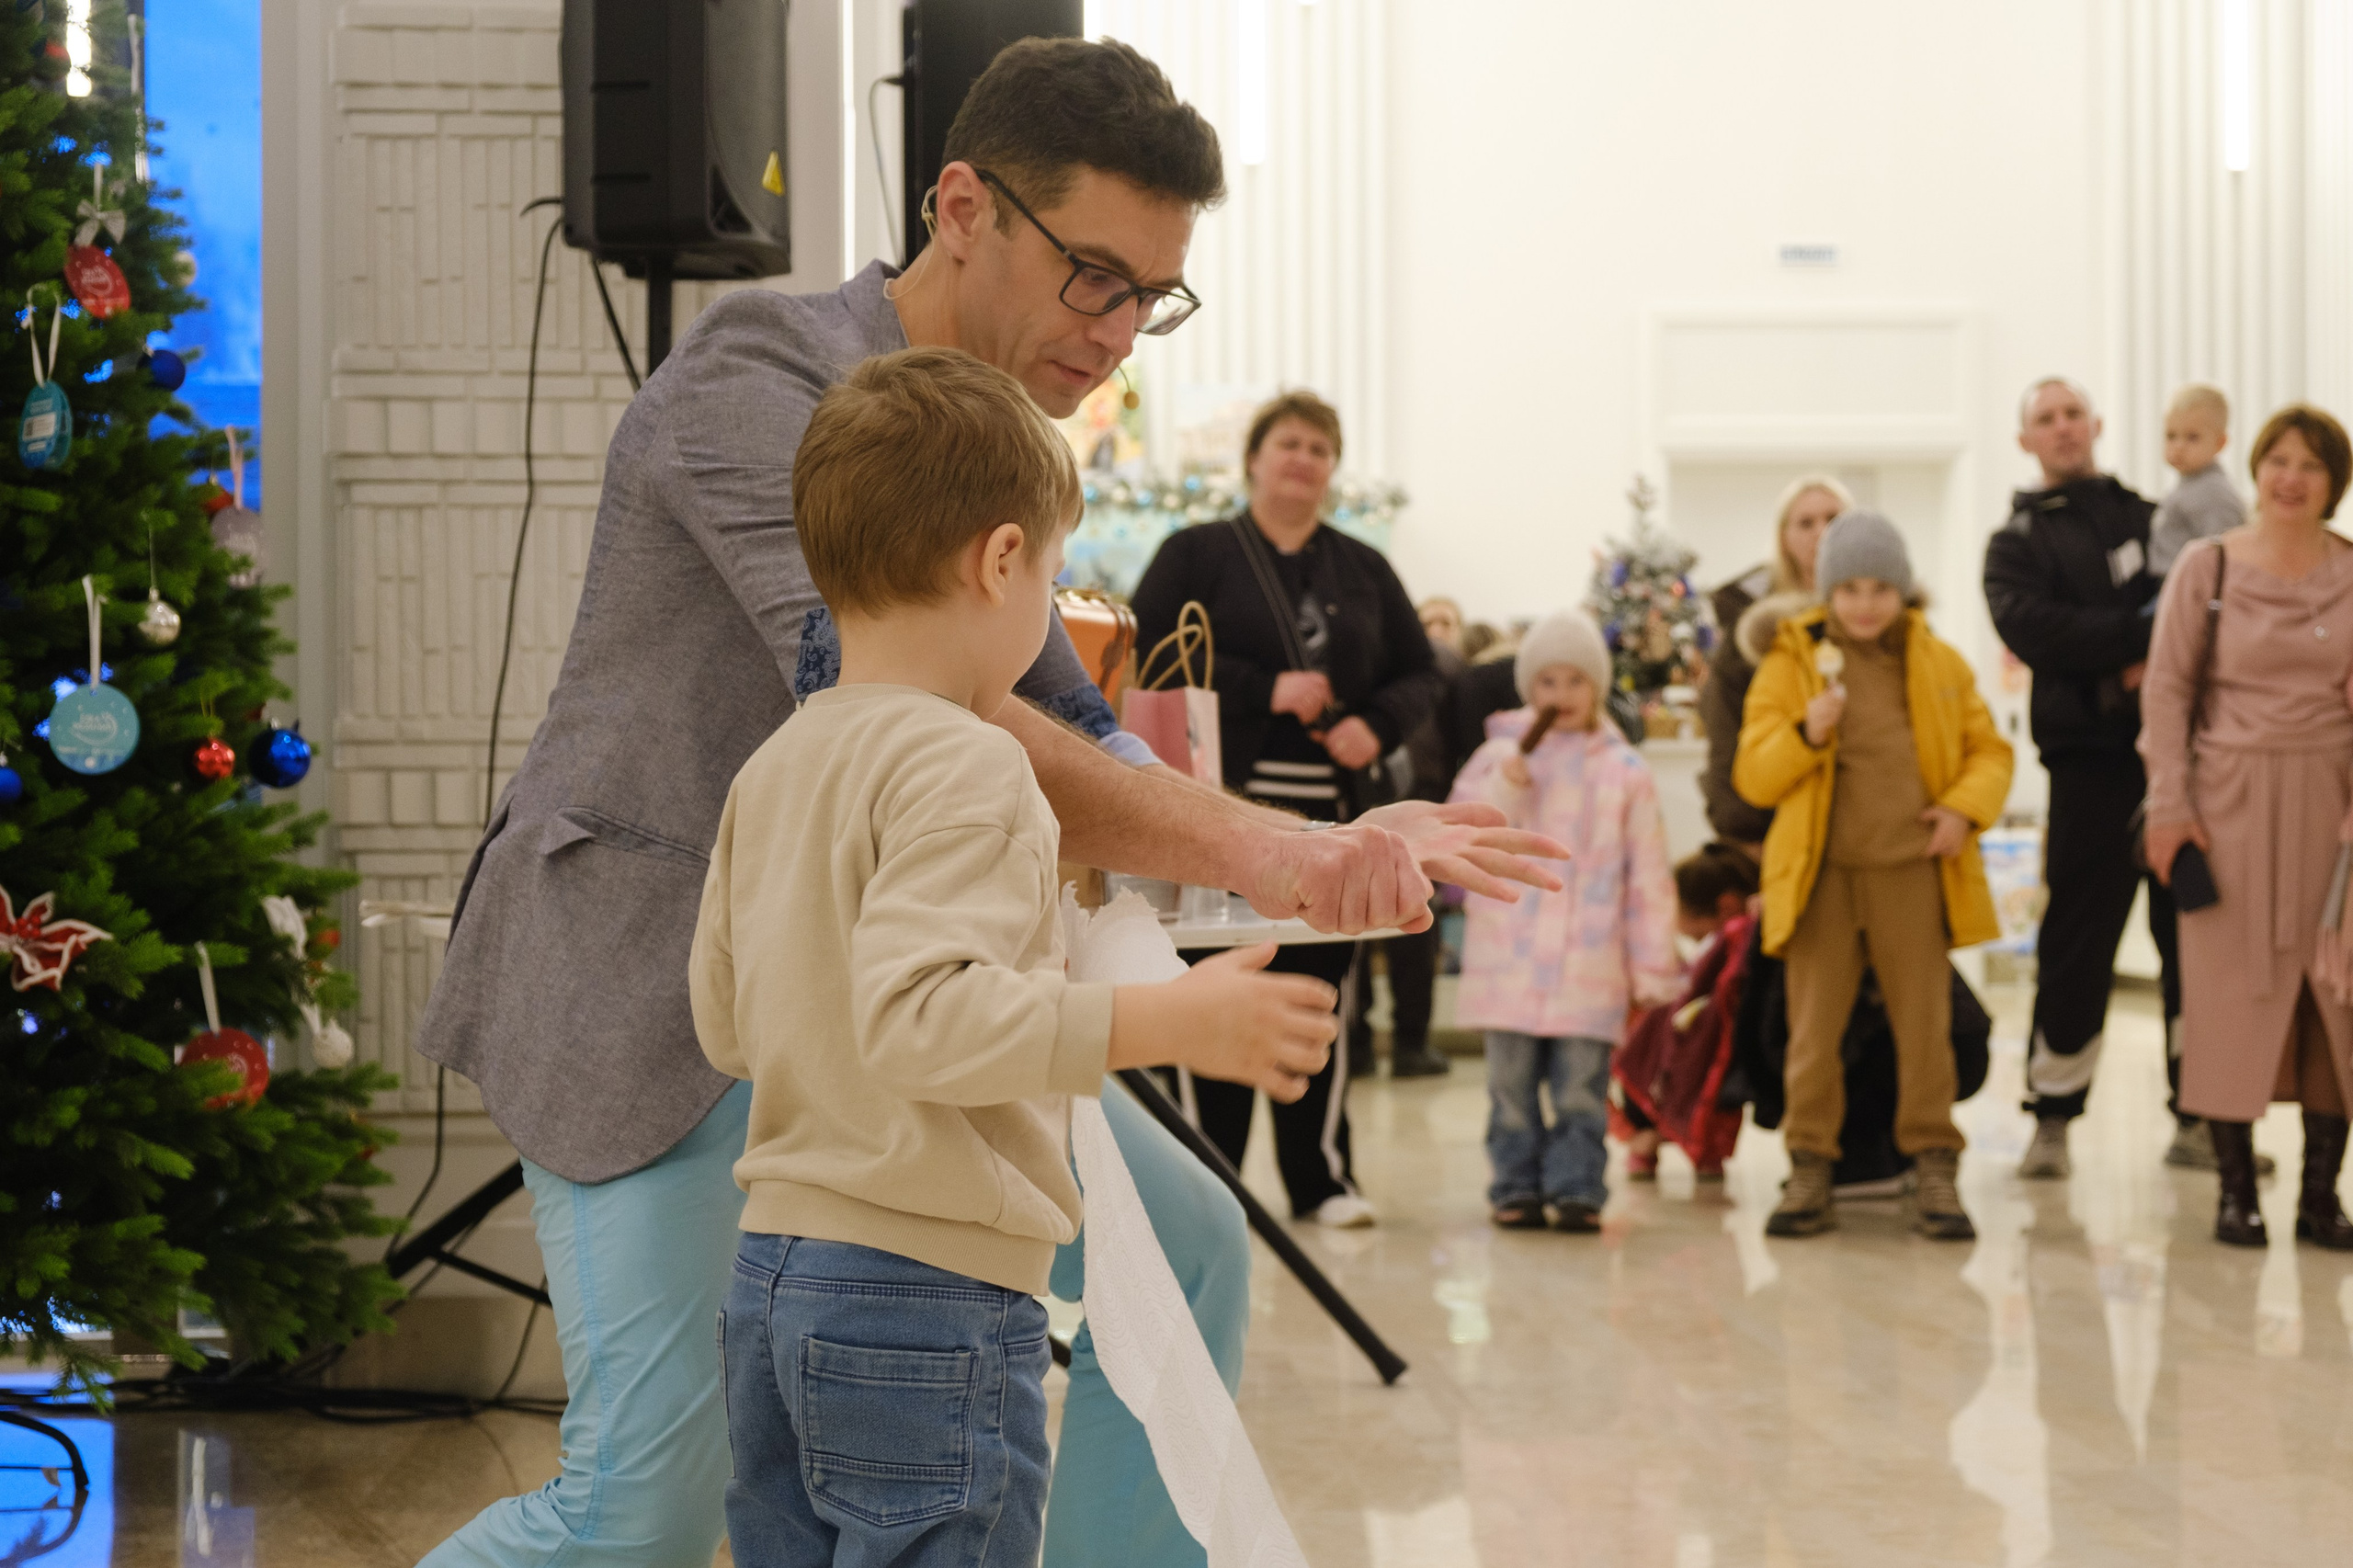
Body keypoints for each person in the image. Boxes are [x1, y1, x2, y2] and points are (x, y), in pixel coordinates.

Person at [414, 40, 1560, 1568]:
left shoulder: (995, 443)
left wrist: (1323, 855)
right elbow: (937, 711)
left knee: (1193, 1254)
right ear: (964, 206)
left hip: (906, 1003)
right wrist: (1284, 852)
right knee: (644, 1513)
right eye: (1095, 273)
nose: (1120, 330)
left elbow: (1072, 726)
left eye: (1154, 293)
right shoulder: (763, 379)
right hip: (652, 993)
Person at [692, 348, 1338, 1567]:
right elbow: (925, 1021)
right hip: (919, 1296)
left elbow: (726, 1021)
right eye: (1050, 570)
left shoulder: (776, 761)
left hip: (769, 1287)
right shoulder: (970, 761)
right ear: (1001, 561)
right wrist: (1170, 1023)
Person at [1129, 391, 1448, 1228]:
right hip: (1215, 819)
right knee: (1214, 984)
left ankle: (1322, 1179)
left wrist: (1373, 729)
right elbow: (1145, 657)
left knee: (1319, 997)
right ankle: (1210, 1180)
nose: (1303, 458)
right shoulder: (1196, 553)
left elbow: (1422, 672)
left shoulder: (1364, 568)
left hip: (1332, 822)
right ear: (1255, 459)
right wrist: (1263, 686)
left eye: (1319, 447)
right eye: (1288, 443)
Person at [1737, 511, 2013, 1241]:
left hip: (1911, 871)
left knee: (1925, 1028)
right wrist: (1806, 733)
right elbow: (1753, 774)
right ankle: (1809, 1166)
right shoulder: (1788, 664)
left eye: (1880, 588)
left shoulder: (1940, 664)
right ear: (1826, 593)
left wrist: (1962, 809)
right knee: (1812, 1032)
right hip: (1822, 874)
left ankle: (1932, 1164)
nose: (1864, 603)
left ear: (1904, 591)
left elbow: (1990, 752)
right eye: (1849, 588)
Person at [2142, 403, 2353, 1252]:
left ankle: (2319, 1197)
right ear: (2257, 470)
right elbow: (2165, 694)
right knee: (2230, 995)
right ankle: (2236, 1192)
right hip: (2226, 805)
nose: (2291, 478)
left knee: (2335, 998)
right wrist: (2170, 807)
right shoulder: (2210, 567)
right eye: (2278, 460)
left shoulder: (2351, 572)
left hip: (2334, 809)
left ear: (2334, 483)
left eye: (2311, 464)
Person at [1984, 376, 2190, 1179]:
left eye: (2074, 414)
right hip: (2087, 773)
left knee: (2192, 942)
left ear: (2097, 424)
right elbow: (2039, 630)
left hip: (2178, 766)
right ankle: (2053, 1118)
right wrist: (2136, 643)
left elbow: (2195, 601)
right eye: (2045, 418)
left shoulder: (2154, 518)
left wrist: (2147, 645)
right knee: (2076, 941)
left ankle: (2203, 1117)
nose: (2064, 428)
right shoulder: (2015, 544)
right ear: (2025, 439)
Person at [1449, 610, 1679, 1231]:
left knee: (1582, 1088)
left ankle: (1578, 1186)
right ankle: (1514, 1185)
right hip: (1510, 962)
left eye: (1575, 682)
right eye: (1547, 682)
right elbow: (1458, 836)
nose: (1561, 696)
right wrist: (1505, 786)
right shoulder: (1499, 755)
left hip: (1590, 962)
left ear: (1598, 687)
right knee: (1510, 1088)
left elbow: (1649, 876)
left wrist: (1653, 963)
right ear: (1528, 688)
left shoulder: (1625, 771)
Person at [1698, 475, 1853, 854]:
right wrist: (1745, 834)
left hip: (1863, 820)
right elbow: (1728, 729)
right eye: (1806, 522)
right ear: (1784, 536)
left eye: (1833, 518)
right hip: (1776, 825)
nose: (1822, 531)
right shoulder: (1748, 629)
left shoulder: (1883, 616)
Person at [1614, 843, 1760, 1180]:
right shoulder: (1730, 944)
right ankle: (1685, 1141)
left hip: (1692, 1050)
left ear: (1726, 907)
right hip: (1717, 1054)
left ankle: (1647, 1135)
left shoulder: (1730, 943)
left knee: (1654, 1036)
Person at [2149, 384, 2245, 575]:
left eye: (2192, 438)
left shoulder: (2214, 494)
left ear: (2220, 443)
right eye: (2171, 436)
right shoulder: (2189, 484)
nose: (2178, 446)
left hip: (2189, 590)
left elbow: (2223, 558)